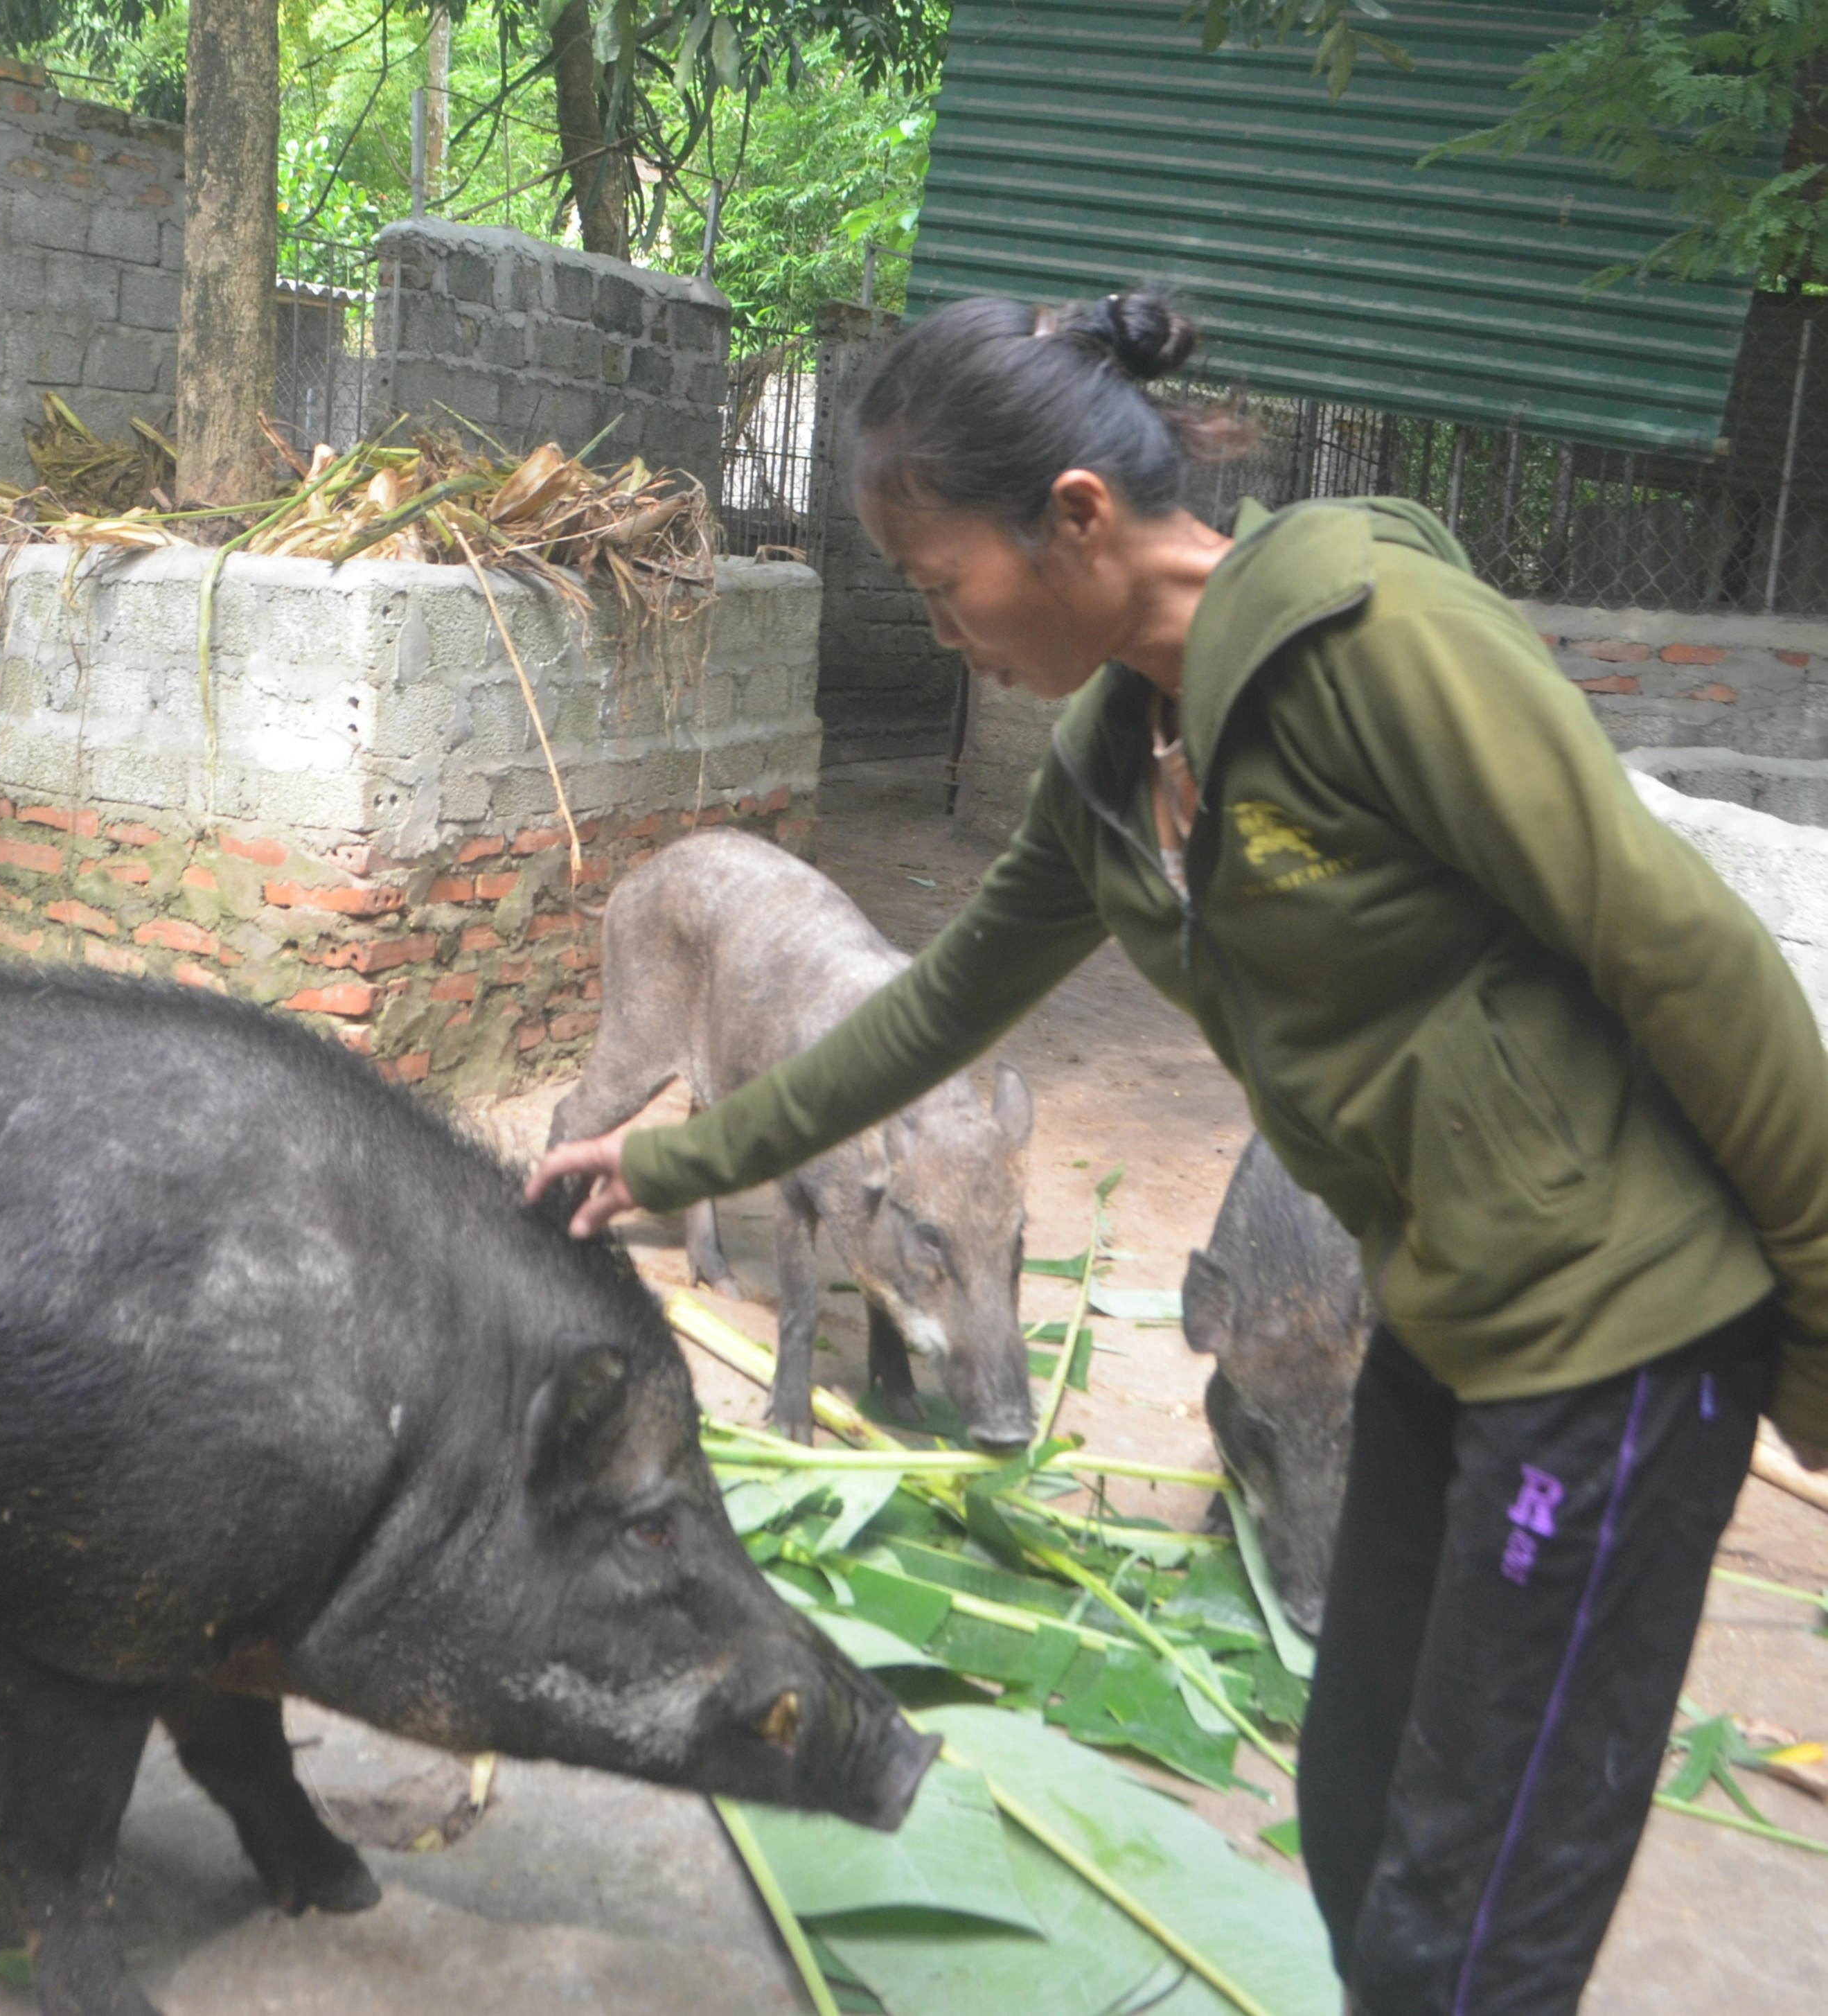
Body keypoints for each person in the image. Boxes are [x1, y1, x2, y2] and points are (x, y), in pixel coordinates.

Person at [526, 288, 1828, 2016]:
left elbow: (1688, 960)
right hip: (1441, 1314)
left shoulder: (1377, 647)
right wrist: (668, 1163)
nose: (938, 633)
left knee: (1473, 1892)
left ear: (1072, 518)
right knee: (1354, 1795)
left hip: (1618, 1337)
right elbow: (923, 1023)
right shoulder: (1112, 757)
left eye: (938, 588)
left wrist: (1814, 1328)